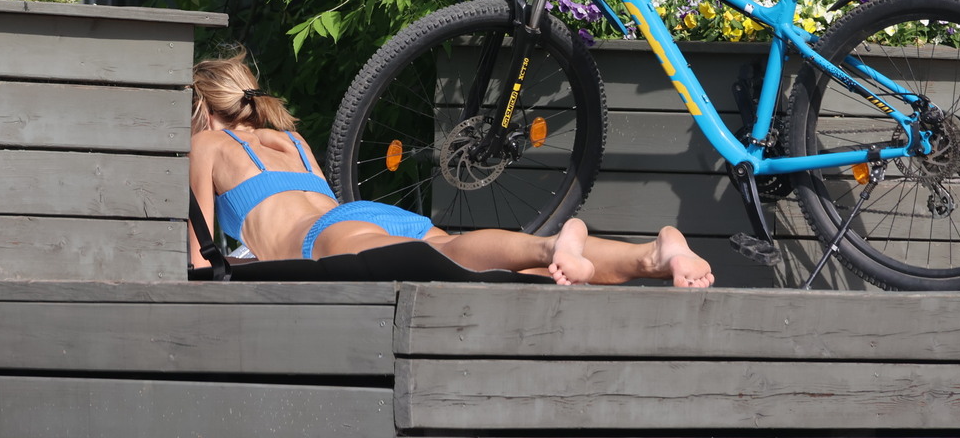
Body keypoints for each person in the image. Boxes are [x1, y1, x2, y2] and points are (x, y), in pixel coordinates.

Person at [188, 50, 714, 288]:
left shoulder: (207, 146)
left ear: (203, 110)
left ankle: (552, 245)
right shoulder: (291, 140)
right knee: (477, 263)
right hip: (359, 218)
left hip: (321, 239)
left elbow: (202, 262)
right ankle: (652, 256)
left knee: (457, 258)